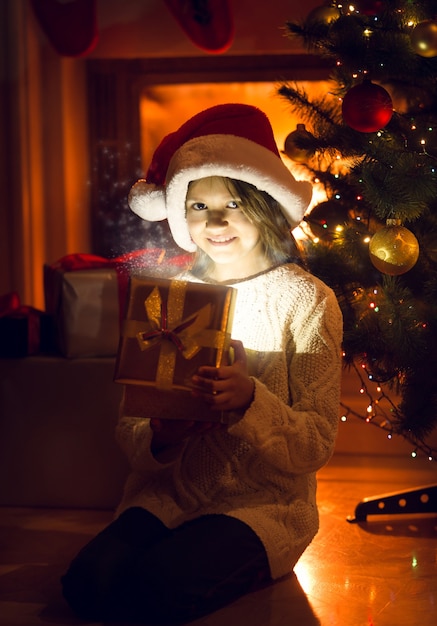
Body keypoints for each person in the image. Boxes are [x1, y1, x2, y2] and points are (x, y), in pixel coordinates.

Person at [61, 103, 343, 623]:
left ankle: (245, 561)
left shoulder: (307, 301)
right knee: (86, 587)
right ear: (179, 215)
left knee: (158, 592)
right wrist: (163, 435)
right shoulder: (170, 297)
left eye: (232, 202)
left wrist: (249, 402)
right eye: (197, 206)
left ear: (264, 204)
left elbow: (316, 443)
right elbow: (130, 427)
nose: (214, 221)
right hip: (169, 497)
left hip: (261, 506)